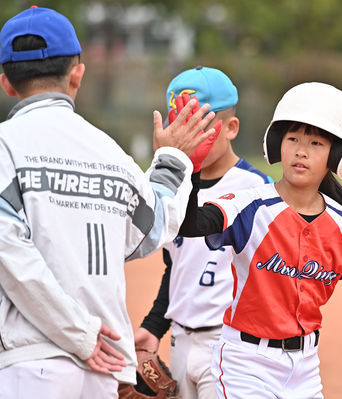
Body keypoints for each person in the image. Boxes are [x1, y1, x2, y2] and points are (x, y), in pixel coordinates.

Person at [0, 7, 217, 399]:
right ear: (77, 74)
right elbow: (152, 230)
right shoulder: (109, 153)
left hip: (31, 362)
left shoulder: (4, 146)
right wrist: (173, 158)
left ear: (6, 83)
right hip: (107, 369)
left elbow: (10, 254)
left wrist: (80, 334)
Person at [177, 82, 342, 398]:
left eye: (315, 143)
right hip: (244, 364)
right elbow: (189, 225)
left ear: (337, 155)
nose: (301, 150)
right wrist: (193, 170)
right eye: (293, 138)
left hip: (305, 370)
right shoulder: (249, 207)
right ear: (277, 143)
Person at [133, 66, 272, 399]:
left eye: (199, 125)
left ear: (231, 128)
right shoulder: (170, 187)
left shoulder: (256, 190)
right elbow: (178, 265)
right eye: (179, 124)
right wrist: (154, 327)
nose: (187, 136)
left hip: (229, 345)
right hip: (180, 341)